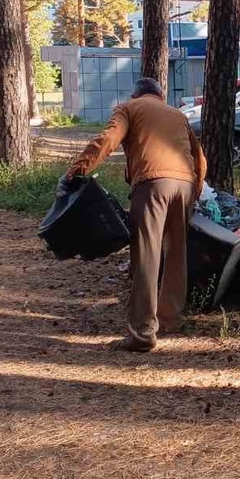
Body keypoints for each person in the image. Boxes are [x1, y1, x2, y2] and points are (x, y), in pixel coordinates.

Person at [67, 77, 206, 352]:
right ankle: (170, 319)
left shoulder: (129, 108)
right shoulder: (176, 113)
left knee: (147, 255)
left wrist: (78, 170)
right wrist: (195, 189)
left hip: (153, 183)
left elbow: (107, 139)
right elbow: (199, 156)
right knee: (176, 252)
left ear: (136, 95)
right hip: (186, 184)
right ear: (160, 96)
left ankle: (142, 333)